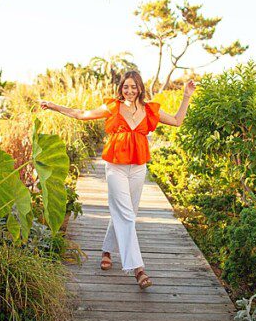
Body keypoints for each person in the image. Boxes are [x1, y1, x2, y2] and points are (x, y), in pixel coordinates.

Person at [41, 71, 195, 289]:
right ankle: (138, 268)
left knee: (126, 212)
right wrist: (55, 106)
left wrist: (186, 95)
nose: (130, 91)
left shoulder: (150, 109)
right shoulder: (112, 107)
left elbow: (178, 121)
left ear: (140, 88)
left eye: (134, 87)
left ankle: (106, 250)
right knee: (126, 215)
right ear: (121, 88)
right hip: (116, 168)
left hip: (138, 168)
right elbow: (81, 114)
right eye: (126, 87)